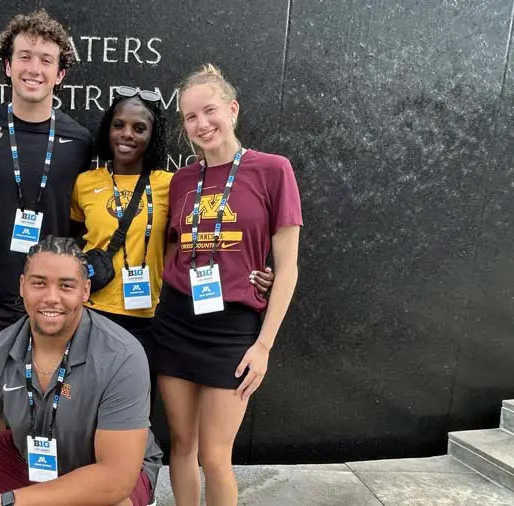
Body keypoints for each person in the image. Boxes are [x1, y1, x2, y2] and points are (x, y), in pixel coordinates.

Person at [0, 236, 163, 506]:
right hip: (28, 457)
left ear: (85, 291)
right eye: (39, 283)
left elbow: (115, 479)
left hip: (104, 471)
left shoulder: (121, 355)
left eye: (66, 286)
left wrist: (13, 501)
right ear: (22, 286)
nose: (51, 298)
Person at [70, 88, 275, 414]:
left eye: (139, 128)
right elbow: (72, 241)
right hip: (93, 315)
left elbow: (201, 237)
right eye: (118, 125)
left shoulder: (174, 183)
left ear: (154, 136)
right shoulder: (83, 183)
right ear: (107, 129)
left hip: (153, 321)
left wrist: (256, 272)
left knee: (134, 414)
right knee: (84, 410)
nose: (126, 135)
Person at [154, 64, 302, 506]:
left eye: (210, 110)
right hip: (177, 321)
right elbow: (173, 248)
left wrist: (264, 347)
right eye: (190, 117)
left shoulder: (273, 171)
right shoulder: (182, 180)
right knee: (181, 446)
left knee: (215, 457)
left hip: (234, 329)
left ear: (232, 110)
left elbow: (288, 268)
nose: (201, 124)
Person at [0, 10, 93, 373]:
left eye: (46, 60)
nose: (34, 68)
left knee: (43, 412)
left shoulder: (78, 140)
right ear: (7, 65)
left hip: (50, 304)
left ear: (59, 73)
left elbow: (80, 218)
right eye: (25, 57)